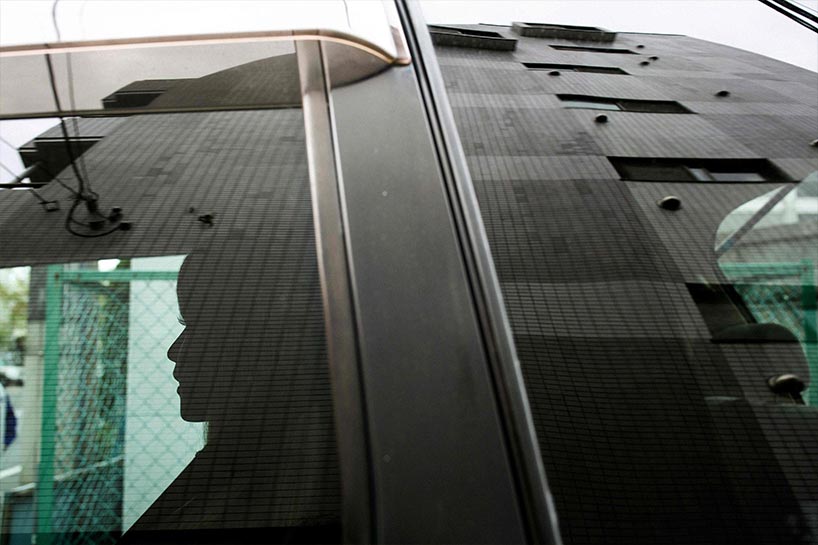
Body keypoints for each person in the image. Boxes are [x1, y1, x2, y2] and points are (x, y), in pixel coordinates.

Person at [121, 235, 341, 544]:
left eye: (198, 326)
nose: (173, 350)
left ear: (262, 346)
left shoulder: (283, 495)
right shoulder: (237, 467)